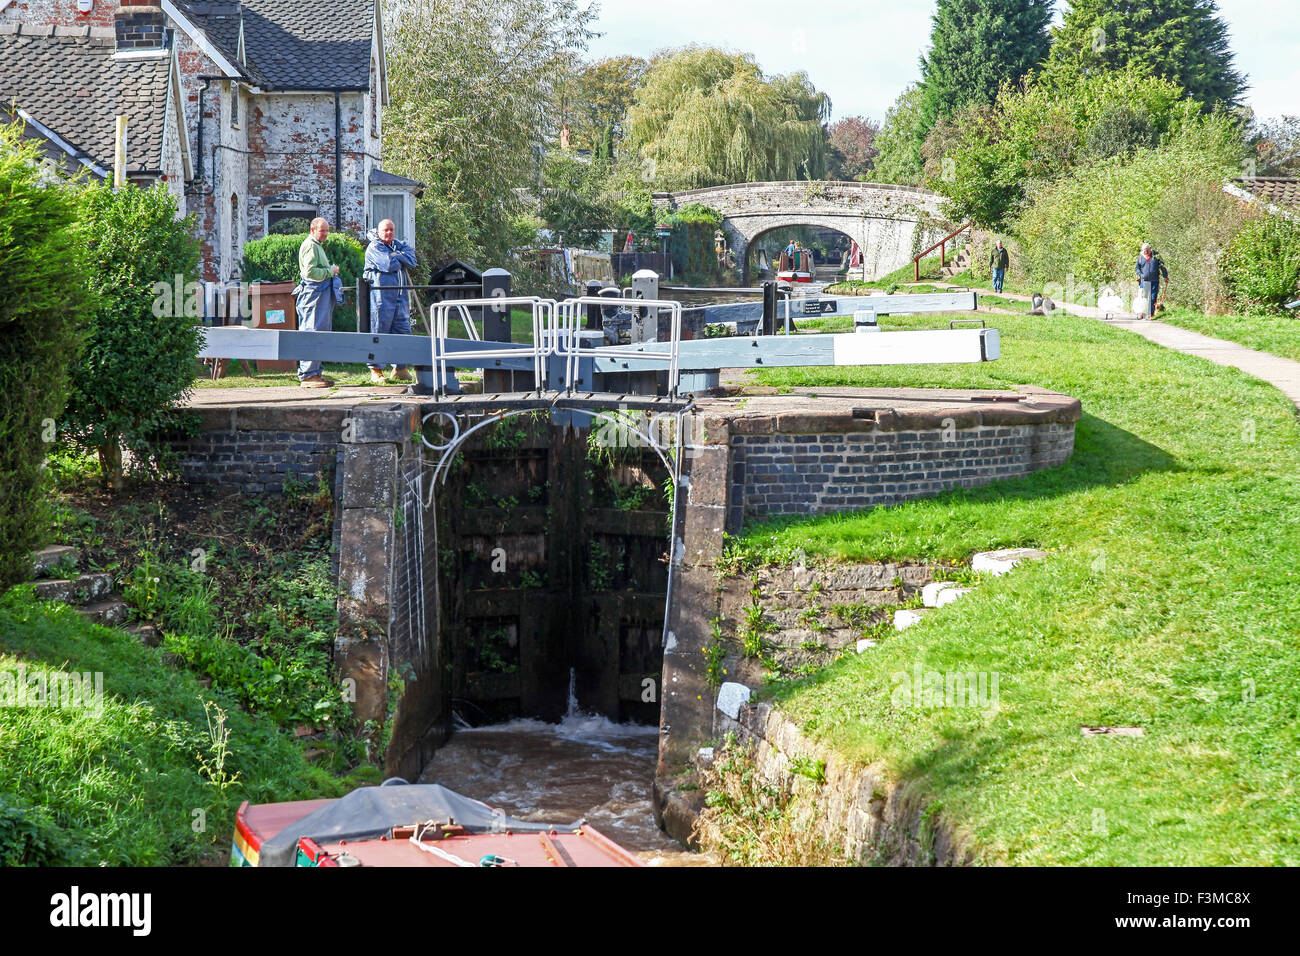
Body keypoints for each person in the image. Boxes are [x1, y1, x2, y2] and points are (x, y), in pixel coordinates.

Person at [363, 219, 418, 384]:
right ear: (379, 232)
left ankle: (400, 368)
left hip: (400, 298)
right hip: (381, 298)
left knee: (403, 331)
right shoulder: (374, 247)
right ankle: (376, 370)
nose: (389, 233)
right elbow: (388, 265)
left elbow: (412, 260)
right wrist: (399, 256)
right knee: (379, 332)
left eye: (391, 230)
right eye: (385, 230)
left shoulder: (398, 244)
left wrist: (396, 254)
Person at [295, 218, 341, 387]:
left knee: (318, 332)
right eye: (322, 231)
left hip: (318, 295)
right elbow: (310, 272)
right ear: (312, 229)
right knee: (311, 331)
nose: (325, 234)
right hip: (314, 295)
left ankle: (314, 373)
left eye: (327, 231)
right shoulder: (310, 246)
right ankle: (308, 376)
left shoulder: (316, 245)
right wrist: (331, 271)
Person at [1135, 243, 1169, 319]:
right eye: (1144, 250)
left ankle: (1151, 314)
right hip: (1144, 280)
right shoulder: (1140, 257)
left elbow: (1162, 266)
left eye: (1147, 250)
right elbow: (1137, 268)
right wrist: (1141, 274)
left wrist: (1165, 276)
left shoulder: (1156, 256)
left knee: (1153, 298)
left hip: (1155, 280)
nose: (1146, 252)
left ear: (1150, 249)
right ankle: (1142, 313)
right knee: (1144, 298)